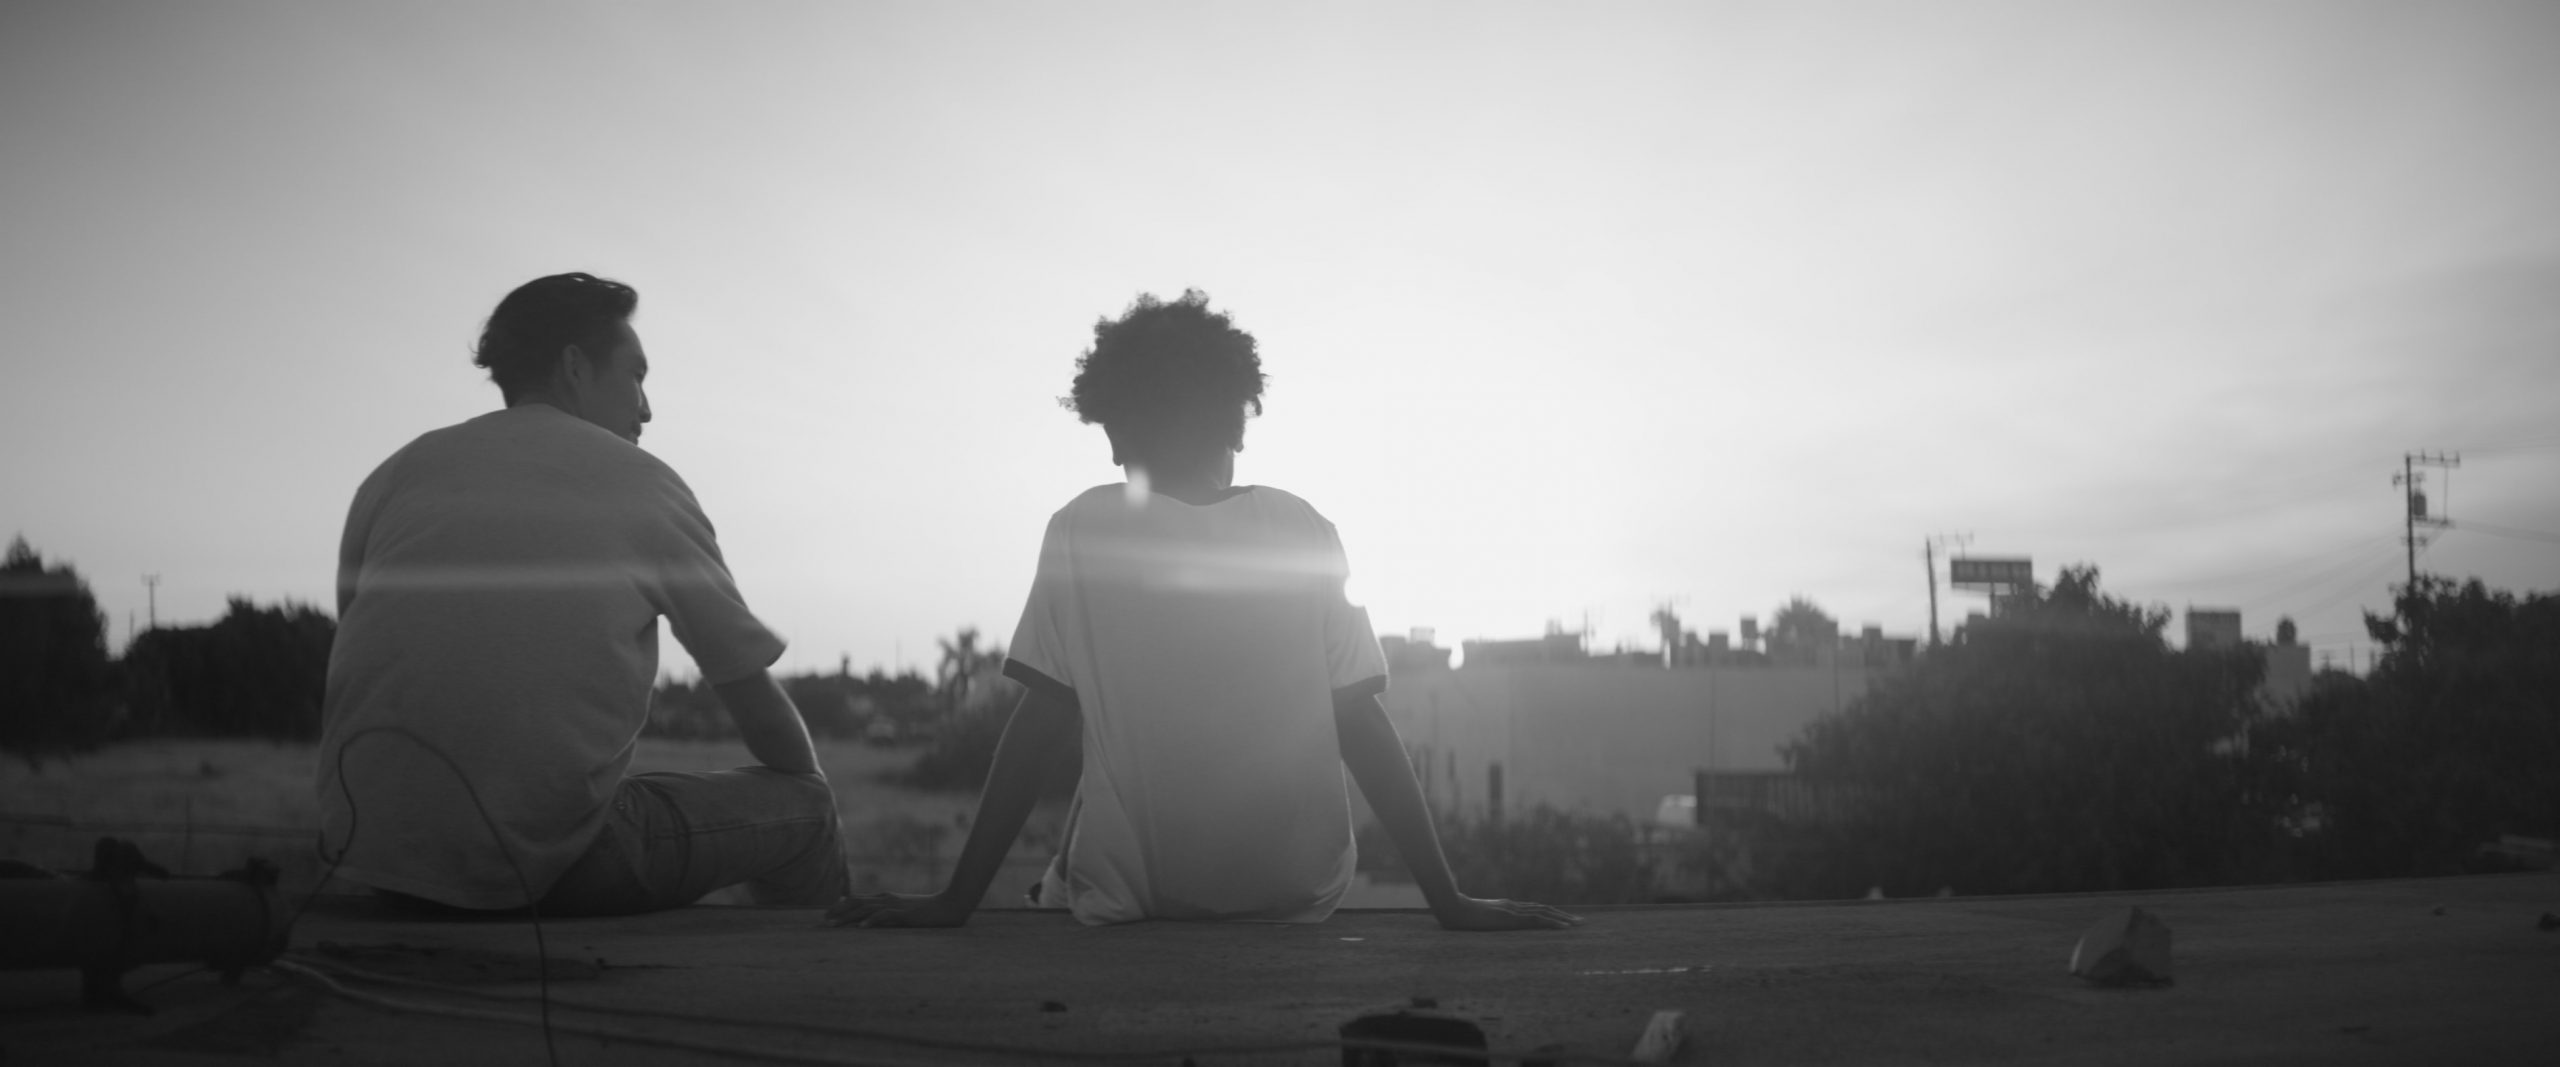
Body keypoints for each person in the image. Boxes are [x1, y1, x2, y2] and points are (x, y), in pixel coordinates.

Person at [826, 291, 1577, 931]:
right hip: (1298, 891)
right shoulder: (1305, 529)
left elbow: (1039, 726)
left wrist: (956, 899)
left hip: (1137, 897)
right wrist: (1449, 899)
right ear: (1237, 423)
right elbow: (1362, 724)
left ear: (1116, 429)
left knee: (1094, 771)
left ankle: (1050, 887)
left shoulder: (1080, 529)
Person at [316, 272, 846, 915]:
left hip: (373, 857)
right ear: (574, 367)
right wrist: (806, 782)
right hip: (549, 866)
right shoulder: (643, 483)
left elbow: (371, 643)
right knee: (808, 808)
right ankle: (815, 981)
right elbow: (751, 697)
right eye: (636, 375)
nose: (647, 408)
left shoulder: (396, 473)